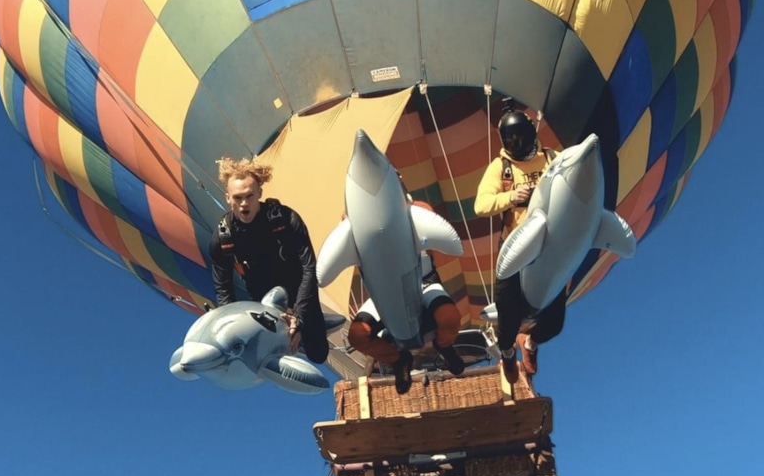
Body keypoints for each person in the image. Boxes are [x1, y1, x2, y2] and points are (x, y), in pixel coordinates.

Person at [209, 157, 329, 364]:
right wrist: (230, 325)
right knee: (258, 354)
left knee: (318, 355)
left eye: (249, 196)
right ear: (228, 198)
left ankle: (306, 326)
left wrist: (299, 317)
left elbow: (309, 267)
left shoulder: (286, 219)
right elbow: (223, 288)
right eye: (238, 198)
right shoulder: (222, 239)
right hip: (261, 295)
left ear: (259, 194)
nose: (244, 204)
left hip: (298, 286)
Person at [473, 103, 562, 382]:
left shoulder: (553, 158)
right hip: (516, 246)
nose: (518, 144)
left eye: (522, 138)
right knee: (507, 316)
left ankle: (530, 343)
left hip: (549, 246)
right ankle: (508, 352)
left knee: (555, 320)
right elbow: (481, 205)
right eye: (512, 141)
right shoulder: (501, 168)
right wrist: (511, 197)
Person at [347, 199, 465, 395]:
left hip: (423, 281)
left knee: (449, 317)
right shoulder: (356, 216)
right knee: (357, 335)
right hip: (384, 291)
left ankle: (444, 346)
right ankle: (398, 360)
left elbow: (430, 218)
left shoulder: (419, 208)